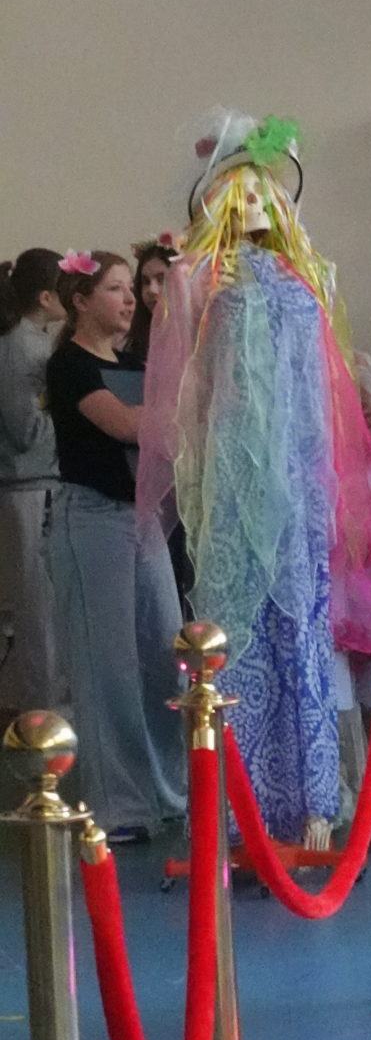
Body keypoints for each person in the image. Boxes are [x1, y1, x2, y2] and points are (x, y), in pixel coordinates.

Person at [139, 113, 371, 849]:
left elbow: (329, 384)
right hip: (232, 472)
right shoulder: (196, 278)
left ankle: (313, 800)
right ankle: (235, 807)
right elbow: (186, 388)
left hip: (300, 477)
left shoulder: (311, 274)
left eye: (261, 192)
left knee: (303, 631)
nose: (250, 205)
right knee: (233, 633)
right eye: (236, 193)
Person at [44, 251, 186, 838]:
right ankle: (120, 806)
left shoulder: (133, 363)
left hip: (142, 517)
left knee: (164, 655)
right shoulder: (70, 365)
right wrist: (178, 405)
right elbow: (126, 426)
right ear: (80, 301)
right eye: (115, 289)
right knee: (109, 668)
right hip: (94, 519)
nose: (130, 300)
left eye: (131, 288)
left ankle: (169, 792)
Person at [0, 248, 66, 713]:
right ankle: (44, 710)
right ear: (46, 297)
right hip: (29, 485)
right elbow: (26, 429)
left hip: (34, 486)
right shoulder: (25, 348)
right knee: (39, 607)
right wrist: (74, 412)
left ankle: (41, 702)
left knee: (41, 604)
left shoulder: (30, 342)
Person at [127, 234, 179, 364]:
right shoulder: (131, 344)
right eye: (145, 281)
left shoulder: (205, 338)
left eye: (162, 279)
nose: (151, 290)